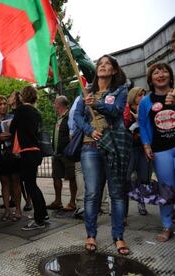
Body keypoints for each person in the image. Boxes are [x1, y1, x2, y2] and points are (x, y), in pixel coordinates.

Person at [74, 54, 130, 255]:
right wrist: (89, 130)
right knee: (92, 193)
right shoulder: (86, 91)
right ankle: (91, 234)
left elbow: (116, 111)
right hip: (90, 147)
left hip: (113, 146)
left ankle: (118, 236)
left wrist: (96, 104)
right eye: (101, 63)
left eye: (108, 64)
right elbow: (77, 116)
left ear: (114, 70)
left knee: (116, 193)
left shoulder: (120, 90)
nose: (103, 66)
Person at [138, 62, 175, 242]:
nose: (160, 74)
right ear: (151, 79)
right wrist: (146, 146)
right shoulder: (146, 101)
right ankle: (167, 226)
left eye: (164, 71)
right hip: (161, 151)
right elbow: (143, 125)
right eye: (156, 72)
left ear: (170, 75)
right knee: (166, 190)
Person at [10, 86, 49, 230]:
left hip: (26, 152)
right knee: (33, 184)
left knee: (30, 185)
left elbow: (12, 128)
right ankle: (43, 214)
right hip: (36, 150)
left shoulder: (21, 110)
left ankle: (39, 220)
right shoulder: (36, 112)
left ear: (23, 96)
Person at [0, 95, 22, 222]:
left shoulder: (13, 119)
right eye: (0, 104)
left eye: (4, 104)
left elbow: (18, 134)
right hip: (0, 155)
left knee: (16, 181)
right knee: (4, 182)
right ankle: (7, 210)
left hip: (13, 154)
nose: (3, 106)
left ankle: (18, 209)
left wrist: (11, 134)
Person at [47, 95, 77, 212]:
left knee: (72, 177)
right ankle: (57, 201)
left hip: (67, 153)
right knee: (56, 176)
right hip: (57, 153)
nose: (54, 105)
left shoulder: (70, 116)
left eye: (55, 103)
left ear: (60, 104)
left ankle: (73, 202)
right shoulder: (58, 117)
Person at [123, 87, 149, 216]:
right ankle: (123, 207)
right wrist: (135, 124)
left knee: (144, 177)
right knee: (126, 177)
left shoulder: (145, 109)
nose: (143, 97)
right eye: (140, 95)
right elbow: (124, 128)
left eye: (144, 94)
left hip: (143, 147)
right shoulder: (126, 110)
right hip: (130, 148)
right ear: (133, 96)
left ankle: (141, 202)